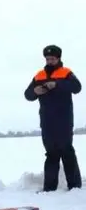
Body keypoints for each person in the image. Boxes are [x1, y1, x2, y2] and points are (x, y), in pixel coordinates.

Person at [24, 44, 82, 191]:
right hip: (47, 120)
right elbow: (28, 94)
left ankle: (74, 187)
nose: (49, 61)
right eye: (47, 59)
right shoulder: (39, 75)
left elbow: (77, 87)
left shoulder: (66, 73)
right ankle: (49, 189)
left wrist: (56, 84)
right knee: (51, 153)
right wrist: (35, 91)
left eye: (52, 59)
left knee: (66, 150)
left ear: (58, 58)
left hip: (64, 120)